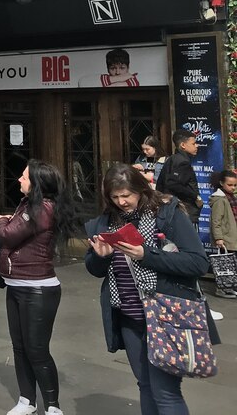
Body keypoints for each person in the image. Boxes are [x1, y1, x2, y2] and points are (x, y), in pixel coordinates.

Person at [86, 164, 211, 415]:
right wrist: (101, 256)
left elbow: (198, 262)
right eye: (115, 197)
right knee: (145, 385)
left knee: (165, 392)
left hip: (166, 314)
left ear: (140, 190)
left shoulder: (165, 213)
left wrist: (147, 255)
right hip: (130, 317)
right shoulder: (108, 221)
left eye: (126, 195)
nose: (121, 202)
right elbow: (95, 269)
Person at [0, 161, 74, 415]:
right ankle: (27, 400)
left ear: (37, 183)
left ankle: (53, 406)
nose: (19, 180)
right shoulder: (27, 206)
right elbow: (7, 231)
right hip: (16, 285)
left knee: (37, 349)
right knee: (20, 346)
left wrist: (1, 220)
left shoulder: (43, 208)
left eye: (24, 177)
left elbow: (9, 234)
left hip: (38, 289)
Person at [155, 128, 202, 226]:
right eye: (193, 143)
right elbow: (172, 184)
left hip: (171, 211)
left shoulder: (171, 159)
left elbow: (161, 185)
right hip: (184, 212)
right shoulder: (182, 162)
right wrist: (195, 197)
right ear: (183, 145)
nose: (197, 146)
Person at [209, 169, 237, 298]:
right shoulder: (220, 199)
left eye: (235, 185)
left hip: (232, 235)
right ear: (222, 183)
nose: (233, 187)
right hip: (226, 237)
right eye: (229, 185)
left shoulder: (230, 197)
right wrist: (219, 238)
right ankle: (221, 288)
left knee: (231, 265)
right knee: (225, 266)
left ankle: (229, 287)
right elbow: (216, 220)